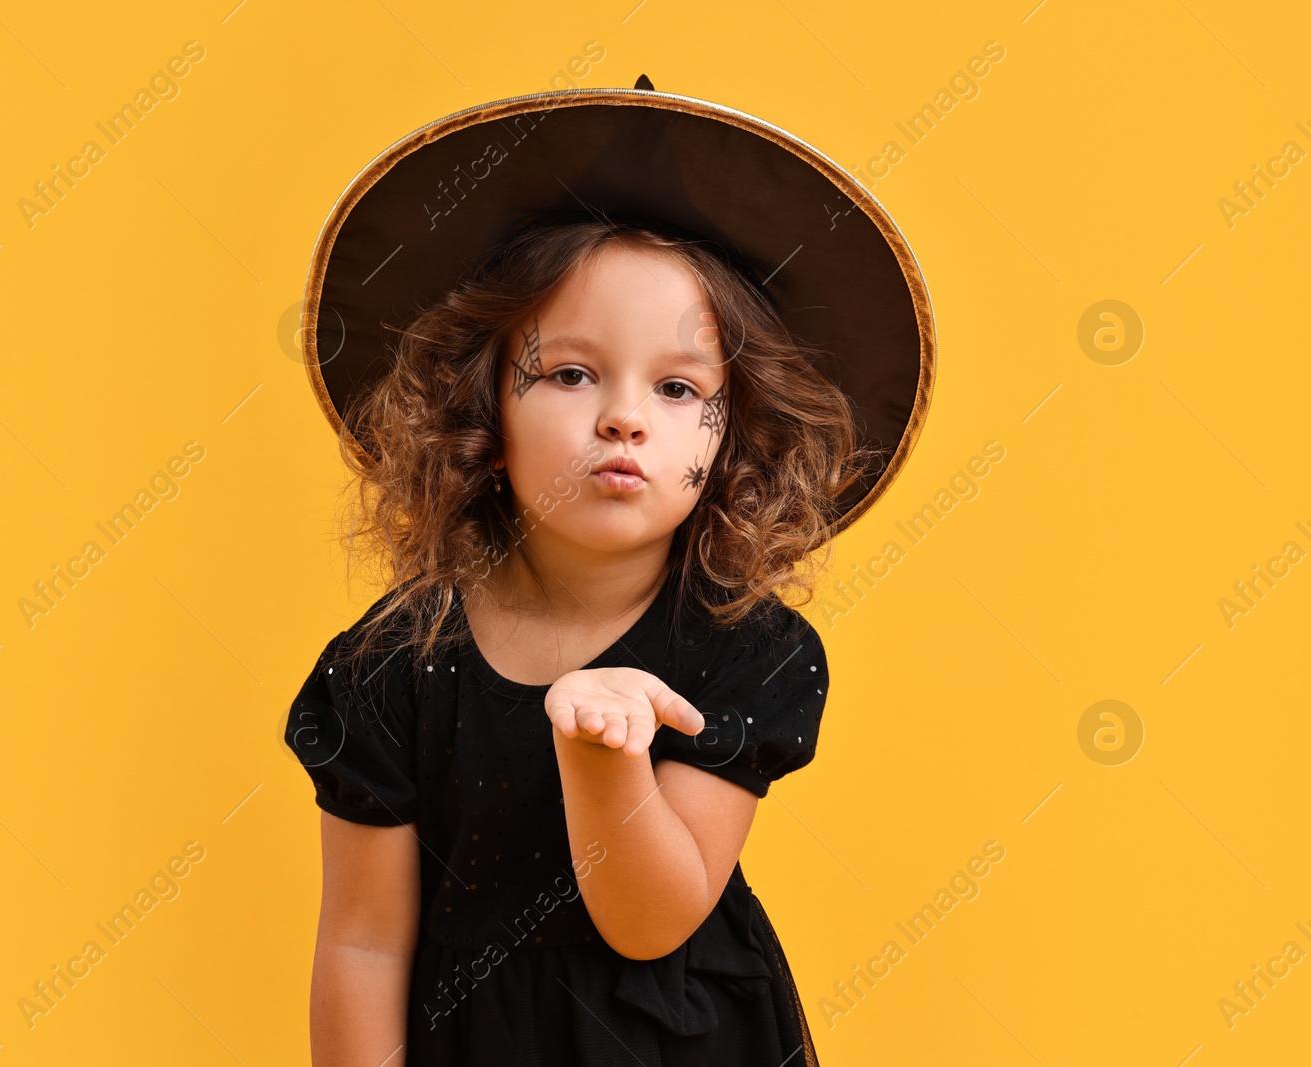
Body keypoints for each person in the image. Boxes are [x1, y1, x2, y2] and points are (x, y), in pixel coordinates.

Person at [285, 79, 935, 1067]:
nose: (623, 417)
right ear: (483, 413)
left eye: (677, 388)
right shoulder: (389, 663)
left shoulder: (747, 652)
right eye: (570, 372)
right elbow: (363, 940)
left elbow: (650, 920)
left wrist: (602, 755)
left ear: (733, 441)